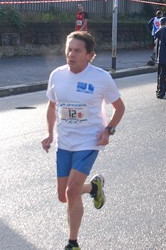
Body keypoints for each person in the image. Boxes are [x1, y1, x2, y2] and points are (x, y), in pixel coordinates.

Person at [41, 31, 125, 250]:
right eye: (69, 49)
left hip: (89, 141)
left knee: (71, 192)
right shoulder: (57, 75)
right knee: (63, 196)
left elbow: (119, 108)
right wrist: (50, 134)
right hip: (65, 142)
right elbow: (51, 107)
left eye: (77, 50)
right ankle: (94, 188)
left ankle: (73, 242)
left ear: (90, 55)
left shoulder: (101, 78)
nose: (71, 54)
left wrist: (108, 131)